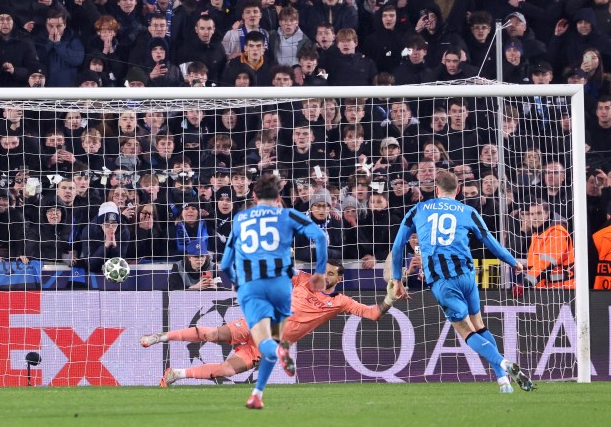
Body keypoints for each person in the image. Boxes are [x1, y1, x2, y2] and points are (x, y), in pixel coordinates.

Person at [390, 169, 536, 393]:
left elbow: (398, 245)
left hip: (443, 281)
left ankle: (503, 363)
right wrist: (512, 261)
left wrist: (398, 279)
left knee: (466, 330)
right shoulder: (468, 210)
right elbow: (489, 240)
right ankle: (503, 382)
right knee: (479, 324)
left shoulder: (418, 209)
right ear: (458, 190)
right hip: (468, 277)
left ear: (436, 190)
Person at [147, 260, 399, 386]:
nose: (324, 276)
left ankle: (176, 374)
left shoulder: (341, 301)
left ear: (338, 279)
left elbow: (374, 314)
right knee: (213, 335)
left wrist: (388, 298)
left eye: (330, 273)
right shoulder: (303, 280)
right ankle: (162, 336)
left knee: (227, 371)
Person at [219, 173, 326, 409]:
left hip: (253, 285)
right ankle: (257, 393)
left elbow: (225, 264)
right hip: (281, 285)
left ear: (254, 197)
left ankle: (279, 351)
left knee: (264, 341)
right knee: (275, 337)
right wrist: (319, 272)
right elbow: (320, 236)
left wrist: (238, 282)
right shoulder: (287, 214)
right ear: (279, 197)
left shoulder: (241, 218)